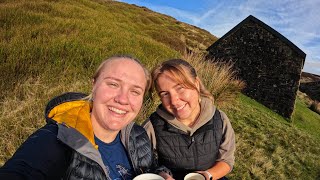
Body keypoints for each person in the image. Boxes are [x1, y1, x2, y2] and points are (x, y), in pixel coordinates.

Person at [0, 55, 167, 180]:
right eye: (113, 84)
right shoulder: (58, 139)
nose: (122, 99)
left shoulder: (137, 135)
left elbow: (151, 169)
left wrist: (162, 174)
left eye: (135, 91)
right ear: (94, 85)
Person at [143, 59, 235, 180]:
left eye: (180, 88)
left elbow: (226, 161)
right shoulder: (151, 127)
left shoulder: (220, 120)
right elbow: (144, 165)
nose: (174, 101)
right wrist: (161, 175)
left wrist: (206, 176)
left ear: (196, 83)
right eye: (165, 94)